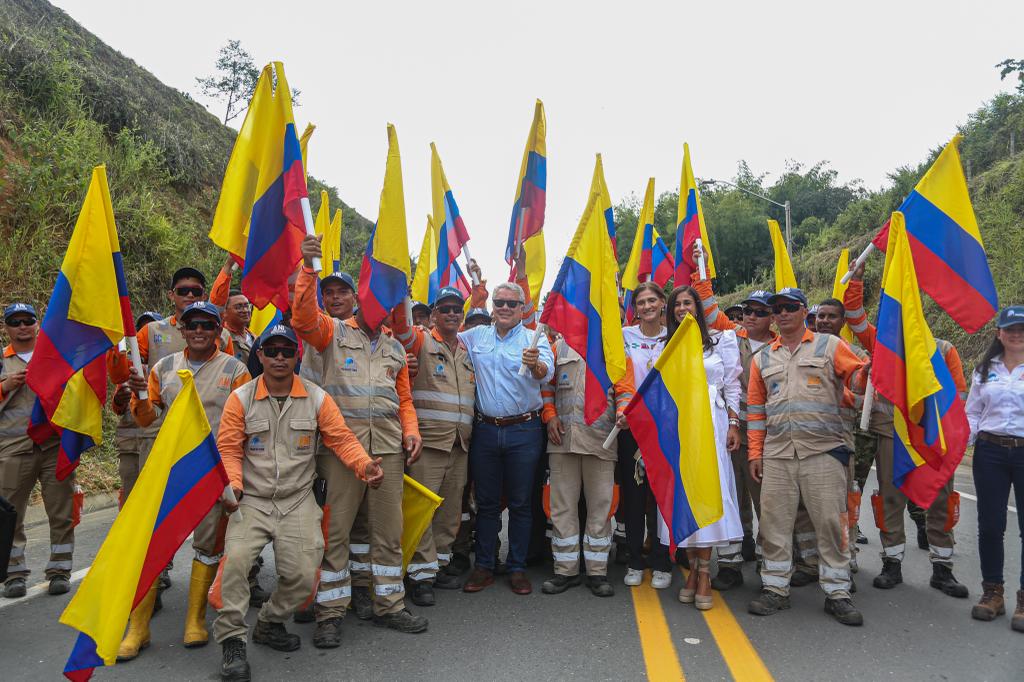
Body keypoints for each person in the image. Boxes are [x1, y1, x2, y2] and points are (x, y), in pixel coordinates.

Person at [212, 324, 384, 681]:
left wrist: (364, 465)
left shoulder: (318, 398)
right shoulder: (240, 398)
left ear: (296, 356)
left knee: (306, 577)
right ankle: (232, 642)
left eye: (286, 351)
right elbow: (228, 448)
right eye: (271, 350)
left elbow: (341, 439)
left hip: (298, 500)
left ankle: (269, 622)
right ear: (259, 356)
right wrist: (234, 487)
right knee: (236, 567)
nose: (278, 357)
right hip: (253, 501)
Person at [293, 235, 426, 646]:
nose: (373, 305)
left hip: (387, 449)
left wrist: (411, 430)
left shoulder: (395, 349)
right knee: (337, 533)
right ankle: (330, 613)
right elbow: (302, 319)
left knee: (387, 531)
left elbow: (403, 397)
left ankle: (389, 604)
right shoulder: (331, 332)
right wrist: (308, 268)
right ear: (357, 302)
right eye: (366, 298)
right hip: (340, 451)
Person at [118, 301, 251, 660]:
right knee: (153, 544)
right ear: (182, 330)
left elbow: (246, 424)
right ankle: (138, 627)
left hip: (213, 472)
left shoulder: (236, 370)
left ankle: (195, 619)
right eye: (192, 325)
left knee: (208, 545)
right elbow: (146, 419)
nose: (198, 332)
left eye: (206, 326)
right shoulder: (162, 368)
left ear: (218, 329)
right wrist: (139, 394)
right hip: (170, 470)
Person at [746, 287, 870, 626]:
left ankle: (837, 592)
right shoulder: (762, 359)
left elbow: (857, 382)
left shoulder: (829, 346)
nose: (781, 313)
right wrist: (755, 453)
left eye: (788, 307)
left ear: (804, 312)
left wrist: (866, 372)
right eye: (776, 309)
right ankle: (775, 589)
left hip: (823, 452)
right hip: (778, 456)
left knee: (831, 523)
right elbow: (756, 411)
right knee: (774, 523)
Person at [845, 264, 969, 597]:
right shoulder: (883, 344)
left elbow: (959, 399)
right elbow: (854, 314)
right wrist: (856, 276)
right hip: (891, 435)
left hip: (932, 441)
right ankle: (892, 562)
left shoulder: (943, 350)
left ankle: (942, 569)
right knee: (890, 500)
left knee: (941, 502)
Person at [459, 280, 553, 596]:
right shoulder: (476, 337)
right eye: (498, 302)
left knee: (521, 503)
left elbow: (547, 373)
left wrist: (536, 364)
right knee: (485, 503)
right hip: (486, 430)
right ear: (491, 306)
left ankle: (516, 567)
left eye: (511, 304)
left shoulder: (534, 338)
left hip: (524, 431)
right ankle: (484, 566)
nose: (504, 308)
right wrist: (472, 299)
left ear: (522, 309)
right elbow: (445, 336)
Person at [391, 286, 476, 604]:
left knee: (450, 513)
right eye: (446, 309)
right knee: (422, 512)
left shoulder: (467, 350)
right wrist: (402, 289)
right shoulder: (421, 340)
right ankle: (419, 577)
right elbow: (399, 325)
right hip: (426, 443)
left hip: (459, 446)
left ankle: (436, 566)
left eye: (457, 309)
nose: (452, 314)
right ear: (434, 314)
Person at [694, 273, 779, 587]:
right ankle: (730, 564)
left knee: (765, 502)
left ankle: (769, 565)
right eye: (747, 311)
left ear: (772, 316)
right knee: (731, 496)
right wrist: (699, 269)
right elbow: (709, 310)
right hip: (731, 430)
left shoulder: (782, 344)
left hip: (768, 435)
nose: (751, 316)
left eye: (760, 311)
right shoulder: (731, 336)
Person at [663, 286, 743, 609]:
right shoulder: (666, 348)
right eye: (677, 304)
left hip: (714, 424)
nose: (683, 308)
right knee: (688, 494)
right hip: (681, 430)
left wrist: (735, 423)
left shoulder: (722, 342)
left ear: (697, 308)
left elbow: (732, 384)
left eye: (688, 302)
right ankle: (692, 569)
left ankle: (704, 572)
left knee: (711, 493)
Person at [540, 335, 634, 598]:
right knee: (561, 509)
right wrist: (549, 416)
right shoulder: (559, 346)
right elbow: (547, 385)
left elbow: (625, 387)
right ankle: (565, 571)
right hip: (563, 440)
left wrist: (623, 411)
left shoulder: (614, 347)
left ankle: (597, 571)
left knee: (601, 509)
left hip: (601, 441)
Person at [0, 303, 74, 599]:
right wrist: (5, 386)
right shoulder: (2, 361)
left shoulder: (53, 356)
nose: (22, 326)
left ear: (37, 323)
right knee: (10, 516)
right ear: (6, 327)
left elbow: (75, 392)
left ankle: (60, 570)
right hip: (13, 450)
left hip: (54, 445)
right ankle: (14, 574)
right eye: (14, 322)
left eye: (27, 320)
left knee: (61, 511)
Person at [965, 305, 1024, 632]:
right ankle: (993, 593)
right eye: (1010, 329)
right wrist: (962, 443)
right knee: (990, 525)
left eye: (1021, 329)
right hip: (990, 452)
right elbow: (973, 412)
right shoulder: (985, 369)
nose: (1016, 334)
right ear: (999, 333)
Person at [619, 282, 673, 588]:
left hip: (665, 429)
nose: (647, 306)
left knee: (662, 497)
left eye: (652, 300)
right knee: (635, 497)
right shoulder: (625, 337)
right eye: (641, 302)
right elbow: (620, 378)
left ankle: (662, 561)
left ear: (663, 302)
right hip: (633, 428)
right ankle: (635, 560)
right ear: (634, 307)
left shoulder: (676, 336)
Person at [112, 311, 163, 506]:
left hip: (158, 443)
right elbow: (117, 407)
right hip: (131, 447)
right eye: (141, 327)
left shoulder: (166, 367)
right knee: (132, 502)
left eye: (150, 327)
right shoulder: (129, 368)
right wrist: (121, 398)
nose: (145, 332)